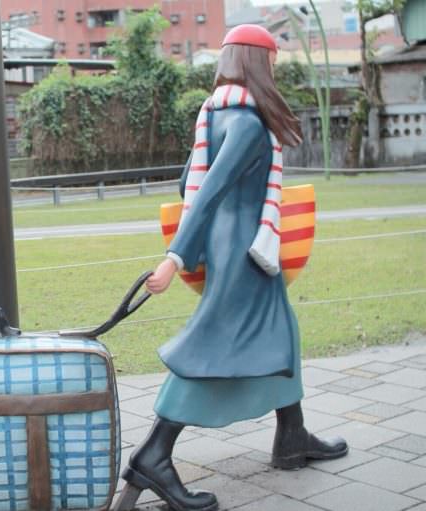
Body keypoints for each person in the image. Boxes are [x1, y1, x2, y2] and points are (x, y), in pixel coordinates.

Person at [118, 25, 348, 511]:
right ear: (256, 63)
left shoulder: (214, 113)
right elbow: (205, 193)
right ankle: (152, 455)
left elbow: (188, 180)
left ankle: (292, 435)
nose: (275, 71)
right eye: (273, 63)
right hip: (247, 249)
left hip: (235, 244)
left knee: (281, 332)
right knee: (213, 344)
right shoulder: (246, 121)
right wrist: (174, 257)